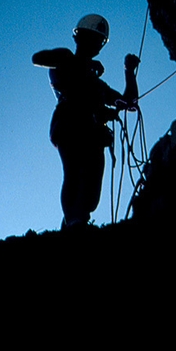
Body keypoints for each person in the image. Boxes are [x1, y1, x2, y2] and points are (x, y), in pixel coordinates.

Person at [32, 14, 140, 229]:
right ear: (79, 38)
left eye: (98, 42)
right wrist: (85, 64)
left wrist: (129, 72)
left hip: (90, 131)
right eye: (93, 40)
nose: (96, 47)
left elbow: (128, 103)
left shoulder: (97, 84)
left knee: (91, 190)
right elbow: (38, 58)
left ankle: (74, 222)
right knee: (75, 172)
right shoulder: (64, 59)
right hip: (69, 124)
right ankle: (74, 222)